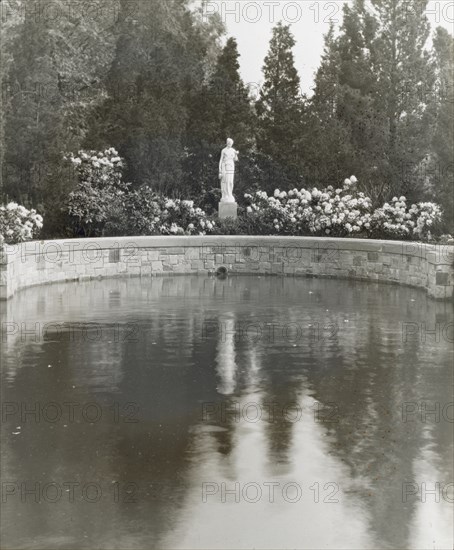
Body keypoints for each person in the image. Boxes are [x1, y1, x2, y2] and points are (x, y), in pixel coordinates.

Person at [219, 138, 239, 203]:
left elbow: (236, 159)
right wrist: (220, 170)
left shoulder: (233, 150)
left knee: (231, 182)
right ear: (227, 143)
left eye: (230, 143)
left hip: (231, 167)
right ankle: (226, 195)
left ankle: (230, 194)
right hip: (225, 167)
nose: (229, 144)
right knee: (226, 181)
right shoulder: (223, 150)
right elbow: (221, 160)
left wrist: (236, 154)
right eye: (228, 143)